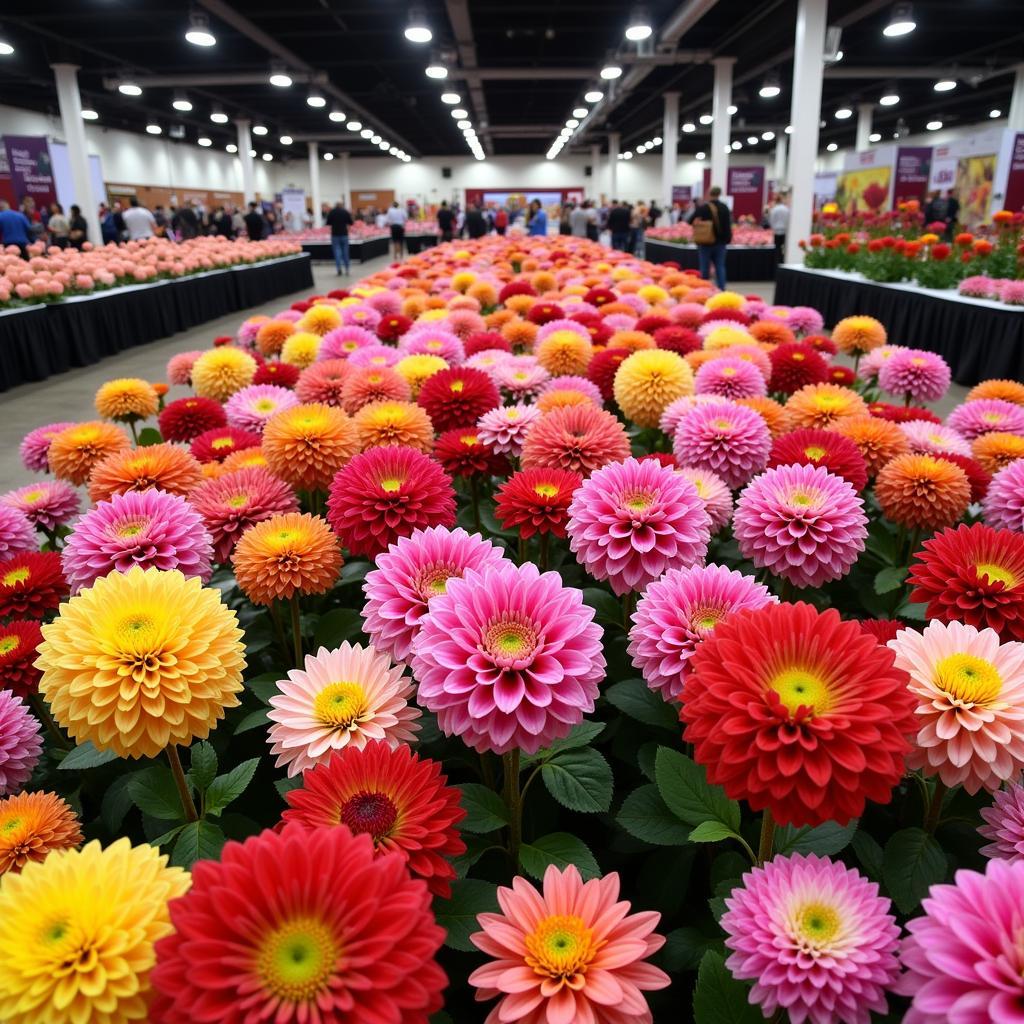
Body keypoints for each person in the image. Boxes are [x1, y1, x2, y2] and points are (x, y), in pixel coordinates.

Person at [692, 186, 732, 288]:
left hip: (705, 242)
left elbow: (691, 221)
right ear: (719, 194)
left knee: (704, 268)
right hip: (721, 242)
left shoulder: (703, 208)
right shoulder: (725, 207)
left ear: (709, 194)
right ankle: (721, 289)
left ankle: (704, 288)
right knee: (720, 267)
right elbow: (728, 226)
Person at [326, 199, 354, 274]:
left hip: (334, 234)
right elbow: (351, 222)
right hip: (344, 234)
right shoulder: (345, 212)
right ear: (342, 205)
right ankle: (347, 269)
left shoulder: (332, 212)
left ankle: (339, 268)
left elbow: (328, 223)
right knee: (345, 252)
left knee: (337, 252)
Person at [768, 193, 790, 263]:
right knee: (784, 247)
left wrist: (773, 228)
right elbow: (788, 220)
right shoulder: (786, 209)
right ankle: (783, 260)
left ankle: (777, 261)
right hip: (785, 231)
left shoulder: (774, 209)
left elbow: (771, 220)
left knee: (777, 248)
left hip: (777, 231)